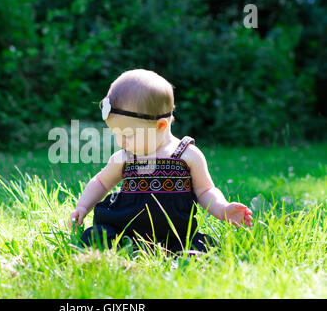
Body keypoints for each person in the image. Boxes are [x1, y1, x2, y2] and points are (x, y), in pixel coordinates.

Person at [69, 69, 253, 254]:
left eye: (128, 135)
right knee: (96, 237)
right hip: (124, 229)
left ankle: (180, 260)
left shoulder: (187, 155)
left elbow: (205, 190)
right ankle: (116, 253)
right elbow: (101, 182)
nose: (121, 142)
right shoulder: (126, 157)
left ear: (161, 125)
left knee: (200, 247)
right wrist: (83, 206)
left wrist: (222, 209)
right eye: (116, 133)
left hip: (175, 234)